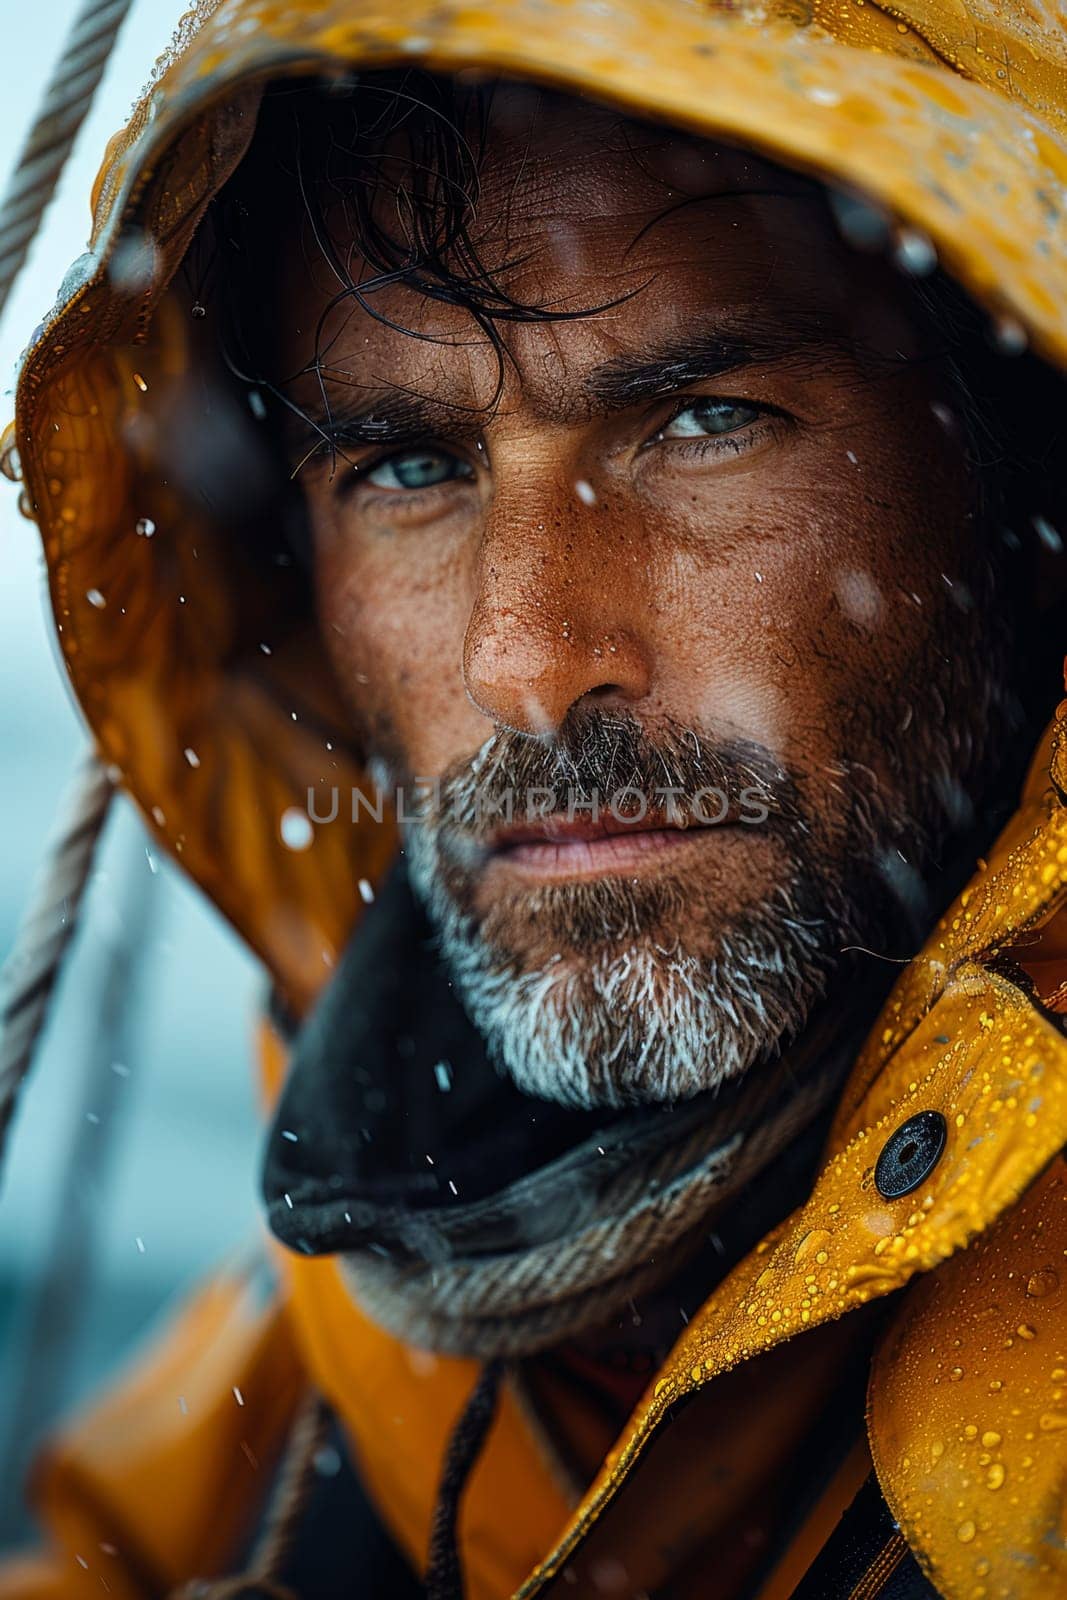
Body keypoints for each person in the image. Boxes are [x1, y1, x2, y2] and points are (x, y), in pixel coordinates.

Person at [2, 0, 1067, 1595]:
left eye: (704, 423)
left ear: (1018, 488)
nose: (526, 661)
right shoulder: (376, 1261)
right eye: (409, 469)